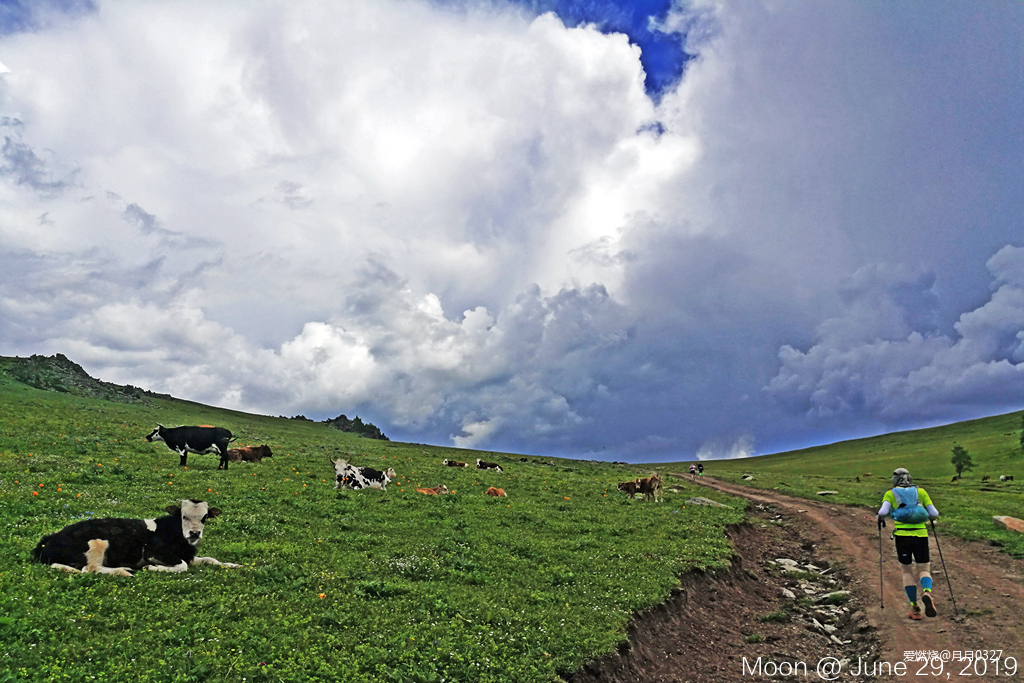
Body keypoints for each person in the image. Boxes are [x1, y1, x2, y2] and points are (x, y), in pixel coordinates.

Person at [877, 468, 940, 620]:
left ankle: (915, 608)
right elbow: (934, 514)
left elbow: (882, 512)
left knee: (906, 571)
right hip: (920, 535)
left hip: (902, 537)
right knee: (924, 568)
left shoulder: (890, 493)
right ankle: (926, 592)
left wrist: (881, 519)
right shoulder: (921, 492)